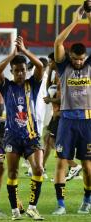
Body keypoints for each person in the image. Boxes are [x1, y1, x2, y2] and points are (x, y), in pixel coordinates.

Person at [0, 36, 45, 220]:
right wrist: (12, 54)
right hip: (12, 137)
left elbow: (40, 66)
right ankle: (15, 210)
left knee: (38, 169)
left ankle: (32, 207)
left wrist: (24, 51)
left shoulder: (33, 84)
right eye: (17, 71)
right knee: (13, 172)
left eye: (23, 70)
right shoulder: (6, 86)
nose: (20, 74)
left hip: (31, 136)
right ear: (12, 71)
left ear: (26, 70)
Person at [52, 6, 91, 215]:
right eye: (75, 59)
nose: (78, 62)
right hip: (66, 120)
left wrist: (90, 16)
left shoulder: (89, 66)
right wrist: (76, 21)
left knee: (87, 166)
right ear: (70, 56)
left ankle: (87, 200)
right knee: (61, 162)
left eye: (81, 59)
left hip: (87, 120)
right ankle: (61, 205)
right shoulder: (63, 67)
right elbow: (58, 43)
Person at [42, 53, 82, 183]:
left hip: (62, 115)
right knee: (48, 139)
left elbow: (66, 98)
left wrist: (50, 99)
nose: (48, 64)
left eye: (50, 62)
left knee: (54, 143)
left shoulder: (64, 76)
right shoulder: (56, 76)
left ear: (56, 61)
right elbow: (50, 89)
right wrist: (49, 72)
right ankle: (43, 167)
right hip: (56, 115)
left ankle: (74, 166)